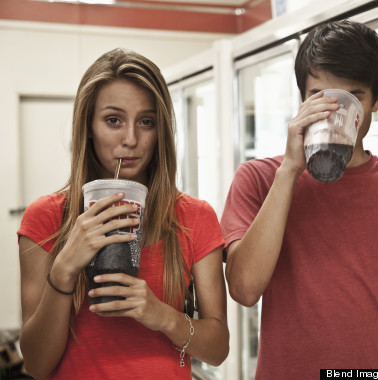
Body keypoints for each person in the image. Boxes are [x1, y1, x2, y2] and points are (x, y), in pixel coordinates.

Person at [221, 20, 378, 375]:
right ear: (302, 97)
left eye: (354, 96)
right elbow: (243, 289)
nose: (335, 111)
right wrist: (289, 170)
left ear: (377, 99)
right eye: (319, 96)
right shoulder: (258, 178)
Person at [17, 48, 229, 380]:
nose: (130, 140)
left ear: (161, 132)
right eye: (113, 120)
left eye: (146, 122)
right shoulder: (44, 218)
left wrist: (161, 315)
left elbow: (218, 351)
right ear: (87, 126)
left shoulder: (195, 217)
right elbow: (36, 363)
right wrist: (64, 269)